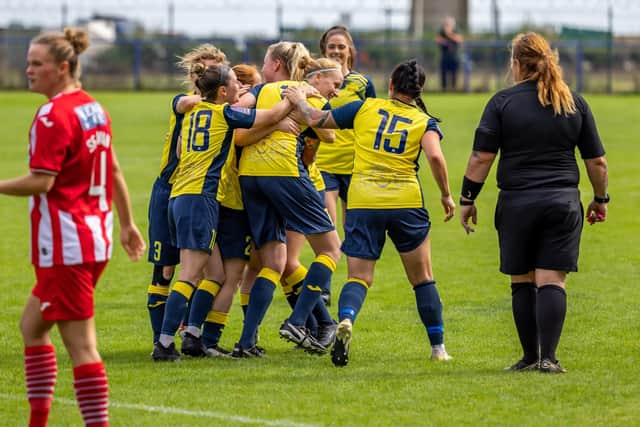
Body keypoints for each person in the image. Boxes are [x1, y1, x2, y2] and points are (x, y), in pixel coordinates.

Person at [0, 28, 146, 426]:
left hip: (66, 245)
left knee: (82, 347)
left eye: (36, 64)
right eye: (28, 62)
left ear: (62, 67)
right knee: (31, 326)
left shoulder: (53, 116)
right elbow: (112, 167)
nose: (28, 70)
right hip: (91, 239)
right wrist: (128, 223)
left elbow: (42, 181)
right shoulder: (91, 108)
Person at [285, 59, 456, 367]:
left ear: (390, 85)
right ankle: (438, 347)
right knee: (422, 279)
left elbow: (315, 118)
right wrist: (445, 194)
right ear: (419, 91)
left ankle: (347, 319)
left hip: (364, 201)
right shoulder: (424, 120)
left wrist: (298, 98)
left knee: (359, 277)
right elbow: (434, 155)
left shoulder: (365, 108)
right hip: (405, 201)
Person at [459, 32, 608, 373]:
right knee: (552, 281)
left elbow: (482, 157)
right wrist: (600, 199)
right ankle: (549, 358)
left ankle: (529, 356)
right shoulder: (573, 102)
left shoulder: (502, 102)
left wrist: (468, 198)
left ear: (515, 64)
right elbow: (597, 163)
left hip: (517, 204)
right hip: (562, 203)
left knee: (522, 280)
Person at [152, 62, 294, 361]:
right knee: (190, 274)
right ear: (222, 91)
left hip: (179, 197)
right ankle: (164, 344)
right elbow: (270, 115)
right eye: (233, 85)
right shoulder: (224, 114)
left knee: (215, 273)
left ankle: (192, 335)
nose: (238, 88)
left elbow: (179, 132)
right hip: (199, 198)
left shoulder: (188, 111)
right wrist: (291, 98)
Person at [233, 41, 342, 357]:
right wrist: (297, 110)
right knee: (331, 249)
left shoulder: (259, 91)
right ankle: (298, 321)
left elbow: (238, 123)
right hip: (284, 173)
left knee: (274, 261)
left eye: (265, 61)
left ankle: (246, 342)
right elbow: (330, 133)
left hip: (250, 176)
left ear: (277, 64)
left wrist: (267, 121)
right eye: (334, 85)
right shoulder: (303, 90)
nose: (263, 66)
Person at [146, 44, 227, 348]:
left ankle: (187, 333)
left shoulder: (218, 109)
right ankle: (161, 338)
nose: (208, 73)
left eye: (214, 69)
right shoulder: (184, 101)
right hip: (169, 189)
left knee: (209, 270)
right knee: (165, 270)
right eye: (204, 70)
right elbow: (191, 102)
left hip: (198, 192)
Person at [317, 25, 376, 306]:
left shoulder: (363, 83)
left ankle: (354, 282)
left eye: (341, 46)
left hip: (356, 166)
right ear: (324, 50)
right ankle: (324, 287)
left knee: (353, 227)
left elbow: (376, 119)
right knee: (327, 227)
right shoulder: (315, 81)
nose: (337, 51)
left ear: (351, 50)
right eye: (332, 47)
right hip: (325, 164)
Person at [435, 16, 463, 91]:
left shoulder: (456, 30)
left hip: (454, 57)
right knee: (443, 74)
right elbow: (438, 39)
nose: (447, 25)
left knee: (454, 75)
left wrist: (449, 34)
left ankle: (454, 89)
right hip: (444, 57)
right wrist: (446, 40)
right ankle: (443, 89)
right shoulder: (441, 31)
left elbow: (459, 39)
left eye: (449, 23)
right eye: (446, 23)